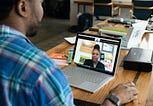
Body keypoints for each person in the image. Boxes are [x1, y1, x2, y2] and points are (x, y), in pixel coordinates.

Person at [0, 0, 138, 106]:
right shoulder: (41, 71)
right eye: (41, 3)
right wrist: (113, 99)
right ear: (23, 7)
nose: (42, 10)